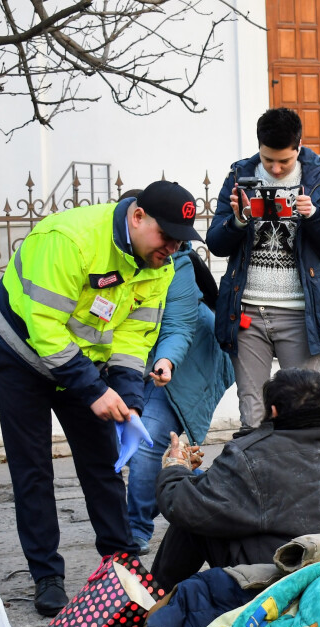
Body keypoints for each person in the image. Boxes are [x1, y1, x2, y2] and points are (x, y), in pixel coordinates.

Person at [0, 180, 203, 616]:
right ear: (137, 216)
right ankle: (47, 576)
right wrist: (92, 389)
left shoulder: (160, 264)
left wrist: (128, 400)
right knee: (33, 468)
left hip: (81, 359)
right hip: (20, 352)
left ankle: (120, 564)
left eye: (181, 240)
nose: (173, 248)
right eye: (167, 236)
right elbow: (45, 328)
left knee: (102, 464)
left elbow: (134, 335)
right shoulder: (69, 241)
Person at [149, 368, 320, 591]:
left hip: (282, 574)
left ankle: (153, 599)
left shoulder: (251, 453)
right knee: (201, 491)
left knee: (195, 513)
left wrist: (175, 467)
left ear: (274, 411)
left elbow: (181, 505)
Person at [208, 107, 320, 431]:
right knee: (253, 416)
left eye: (284, 162)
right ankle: (257, 480)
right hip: (247, 313)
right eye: (268, 159)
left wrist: (314, 215)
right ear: (259, 148)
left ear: (298, 147)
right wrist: (239, 220)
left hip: (302, 314)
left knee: (303, 414)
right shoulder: (239, 176)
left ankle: (301, 481)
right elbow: (216, 242)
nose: (275, 168)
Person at [123, 231, 235, 555]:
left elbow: (178, 329)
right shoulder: (114, 262)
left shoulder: (176, 265)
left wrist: (165, 362)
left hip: (184, 364)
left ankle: (137, 530)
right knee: (130, 443)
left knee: (149, 439)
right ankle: (198, 489)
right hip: (140, 364)